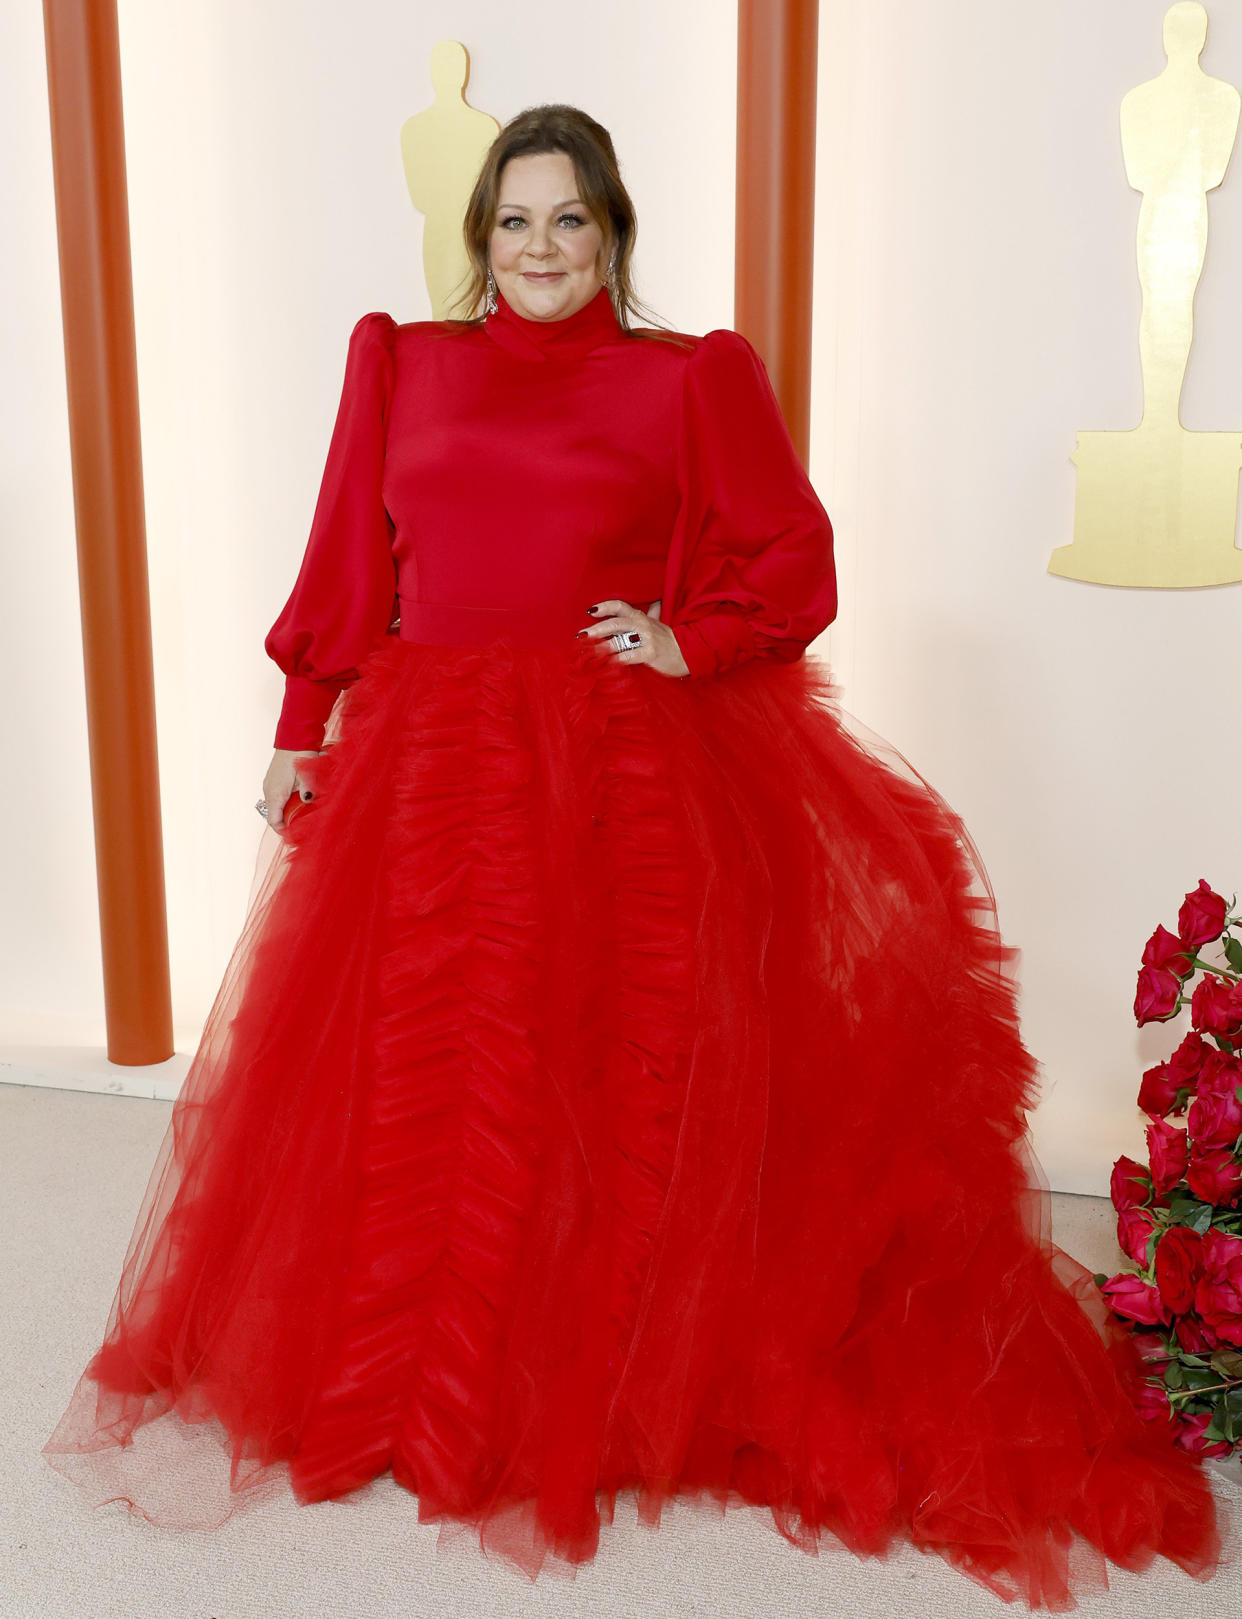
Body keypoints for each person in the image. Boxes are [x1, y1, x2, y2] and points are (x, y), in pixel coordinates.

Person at [42, 103, 1234, 1609]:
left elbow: (790, 560)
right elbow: (349, 550)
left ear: (612, 232)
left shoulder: (689, 379)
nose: (540, 248)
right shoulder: (400, 361)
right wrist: (302, 714)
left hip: (610, 765)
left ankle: (582, 1384)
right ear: (480, 236)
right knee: (428, 1066)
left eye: (570, 221)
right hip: (431, 755)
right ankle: (415, 1373)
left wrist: (691, 635)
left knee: (595, 1069)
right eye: (514, 221)